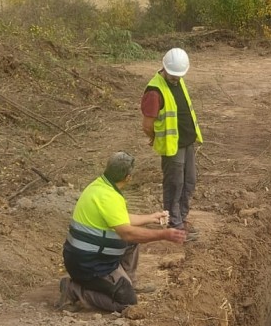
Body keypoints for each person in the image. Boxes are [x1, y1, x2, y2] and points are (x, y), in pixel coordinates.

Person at [58, 151, 187, 312]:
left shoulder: (99, 186)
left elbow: (120, 219)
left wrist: (151, 218)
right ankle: (74, 289)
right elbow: (127, 233)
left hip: (80, 256)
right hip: (89, 265)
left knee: (132, 242)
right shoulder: (110, 197)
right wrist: (163, 235)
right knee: (127, 303)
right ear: (128, 177)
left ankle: (128, 282)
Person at [141, 47, 202, 240]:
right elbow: (147, 125)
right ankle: (174, 227)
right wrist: (154, 137)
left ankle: (181, 219)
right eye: (173, 76)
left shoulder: (178, 81)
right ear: (164, 68)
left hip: (187, 142)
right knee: (175, 185)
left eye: (178, 76)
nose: (176, 79)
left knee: (189, 182)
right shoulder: (154, 91)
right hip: (172, 146)